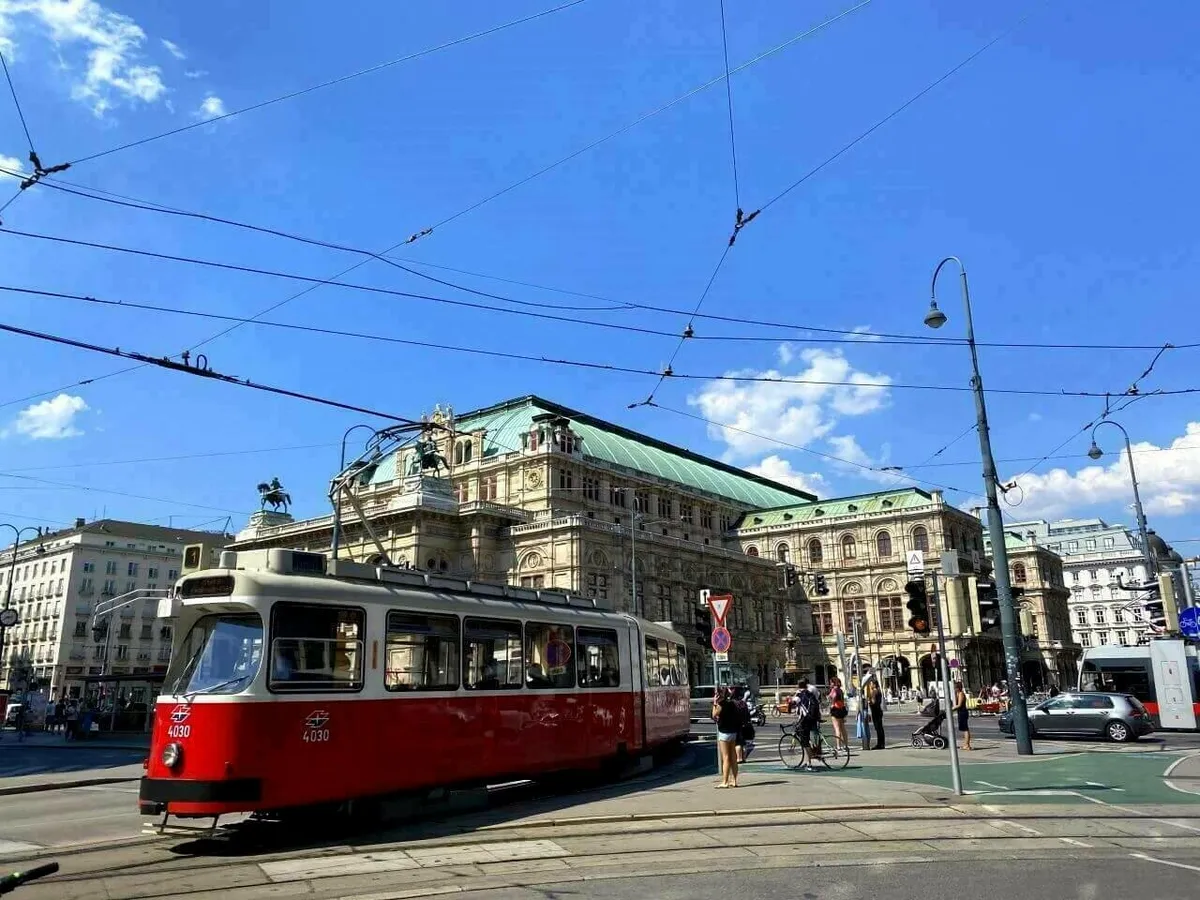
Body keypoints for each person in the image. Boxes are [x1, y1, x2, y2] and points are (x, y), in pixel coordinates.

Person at [712, 687, 742, 788]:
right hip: (733, 732)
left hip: (724, 733)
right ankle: (734, 780)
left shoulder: (721, 705)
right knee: (733, 756)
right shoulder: (732, 704)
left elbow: (714, 715)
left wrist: (715, 703)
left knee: (726, 757)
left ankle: (725, 781)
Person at [794, 678, 821, 772]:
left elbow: (793, 703)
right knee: (808, 740)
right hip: (812, 719)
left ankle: (809, 764)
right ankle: (806, 761)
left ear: (798, 685)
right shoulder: (810, 693)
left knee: (805, 743)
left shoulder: (799, 694)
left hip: (804, 720)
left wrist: (789, 705)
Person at [827, 676, 848, 750]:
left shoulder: (834, 690)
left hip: (835, 709)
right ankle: (846, 745)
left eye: (831, 683)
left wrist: (832, 702)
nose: (830, 684)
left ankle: (838, 746)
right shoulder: (840, 690)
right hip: (842, 709)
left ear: (833, 683)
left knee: (837, 728)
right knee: (843, 728)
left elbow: (833, 696)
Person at [865, 679, 885, 750]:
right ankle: (882, 743)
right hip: (879, 711)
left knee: (878, 728)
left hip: (875, 711)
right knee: (880, 728)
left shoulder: (874, 691)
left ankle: (880, 744)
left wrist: (869, 701)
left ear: (874, 684)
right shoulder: (879, 691)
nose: (870, 685)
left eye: (871, 684)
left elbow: (873, 702)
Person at [953, 680, 972, 750]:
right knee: (964, 729)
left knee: (965, 729)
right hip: (960, 712)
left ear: (958, 688)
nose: (954, 689)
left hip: (963, 712)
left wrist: (951, 709)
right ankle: (966, 744)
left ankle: (967, 745)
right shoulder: (957, 693)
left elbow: (959, 705)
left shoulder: (961, 694)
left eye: (955, 688)